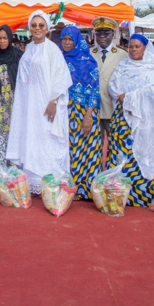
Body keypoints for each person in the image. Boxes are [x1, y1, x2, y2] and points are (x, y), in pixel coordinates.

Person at [5, 11, 73, 193]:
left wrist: (53, 101)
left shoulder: (52, 49)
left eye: (41, 25)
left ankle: (49, 181)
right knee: (32, 137)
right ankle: (33, 180)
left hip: (46, 103)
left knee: (47, 138)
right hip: (29, 104)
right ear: (29, 28)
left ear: (47, 28)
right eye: (34, 25)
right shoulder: (28, 49)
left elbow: (61, 76)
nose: (37, 28)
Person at [108, 34, 154, 206]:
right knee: (121, 154)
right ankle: (118, 193)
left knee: (141, 153)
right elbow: (113, 87)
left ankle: (140, 195)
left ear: (145, 49)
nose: (133, 49)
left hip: (143, 121)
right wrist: (124, 97)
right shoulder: (122, 66)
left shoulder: (152, 69)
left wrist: (130, 97)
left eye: (137, 46)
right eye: (131, 46)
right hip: (122, 119)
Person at [60, 26, 102, 199]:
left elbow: (94, 90)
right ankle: (71, 187)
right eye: (64, 39)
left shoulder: (87, 60)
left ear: (77, 40)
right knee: (69, 150)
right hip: (64, 111)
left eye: (71, 39)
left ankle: (87, 189)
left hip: (84, 110)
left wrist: (88, 116)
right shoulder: (58, 59)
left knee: (87, 149)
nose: (68, 43)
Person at [89, 17, 128, 139]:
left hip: (114, 107)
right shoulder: (89, 53)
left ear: (113, 34)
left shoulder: (123, 55)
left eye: (106, 32)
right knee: (94, 148)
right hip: (94, 108)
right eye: (98, 33)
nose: (102, 36)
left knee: (115, 146)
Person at [0, 25, 22, 162]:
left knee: (16, 131)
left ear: (10, 38)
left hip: (16, 100)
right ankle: (1, 167)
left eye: (5, 38)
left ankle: (15, 166)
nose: (2, 41)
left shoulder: (19, 56)